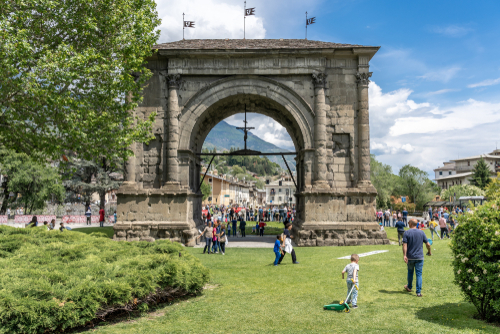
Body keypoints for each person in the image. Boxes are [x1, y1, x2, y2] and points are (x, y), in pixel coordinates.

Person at [403, 219, 432, 297]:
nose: (408, 223)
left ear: (411, 223)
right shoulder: (421, 232)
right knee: (419, 274)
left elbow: (404, 245)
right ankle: (418, 292)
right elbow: (428, 244)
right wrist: (429, 251)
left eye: (408, 222)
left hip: (410, 257)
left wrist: (404, 255)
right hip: (419, 257)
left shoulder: (407, 232)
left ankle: (409, 287)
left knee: (410, 272)